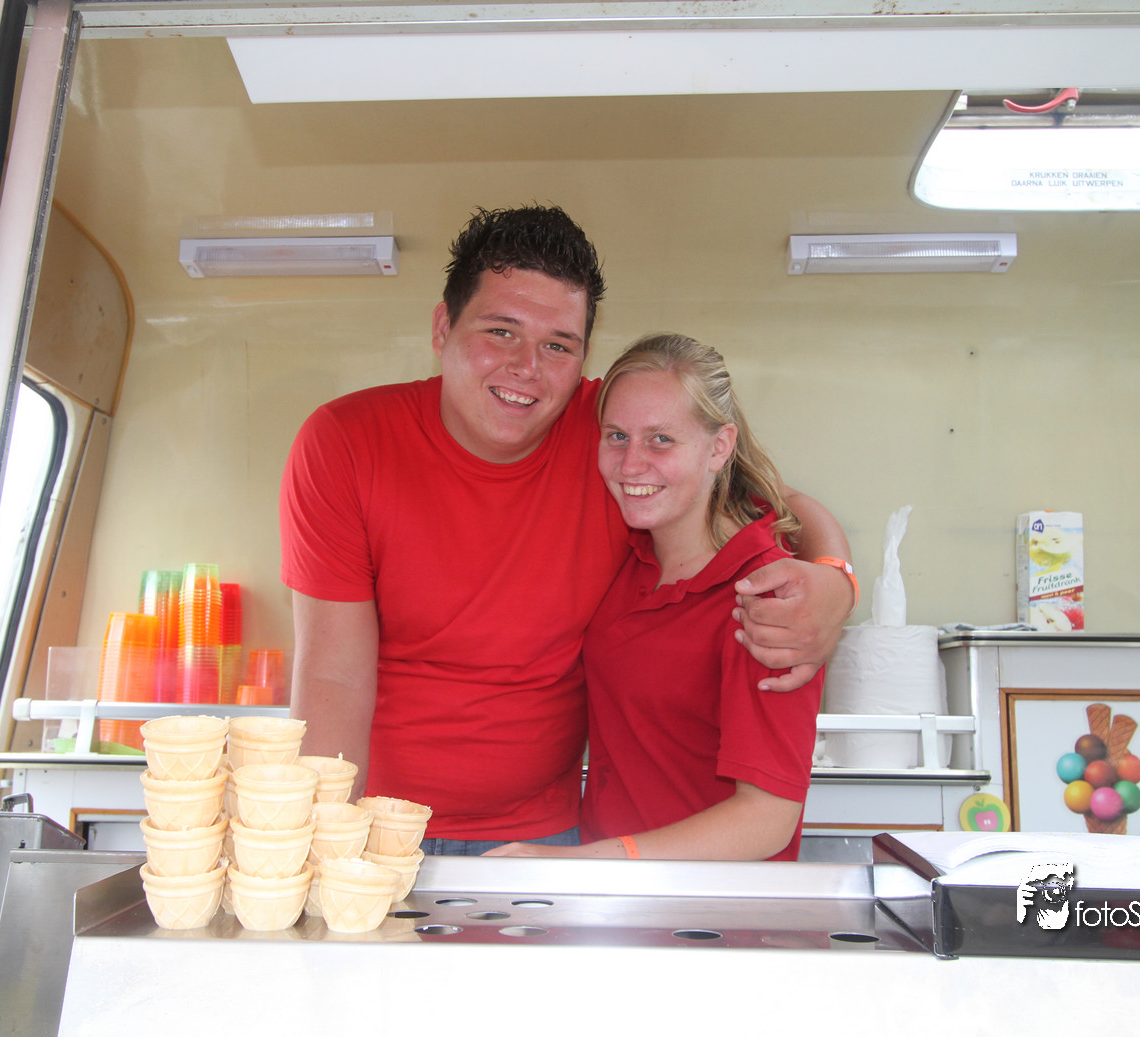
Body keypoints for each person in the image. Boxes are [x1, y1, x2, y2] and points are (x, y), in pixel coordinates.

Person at [280, 205, 853, 852]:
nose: (526, 366)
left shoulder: (609, 434)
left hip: (546, 839)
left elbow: (763, 497)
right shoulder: (347, 443)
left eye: (557, 345)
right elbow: (333, 678)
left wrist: (836, 579)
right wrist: (328, 846)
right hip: (380, 829)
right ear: (443, 327)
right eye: (501, 331)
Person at [487, 334, 822, 861]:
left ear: (719, 446)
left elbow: (767, 819)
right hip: (614, 894)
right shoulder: (631, 557)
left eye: (661, 439)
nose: (631, 465)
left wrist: (578, 864)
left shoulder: (765, 597)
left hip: (711, 903)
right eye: (617, 436)